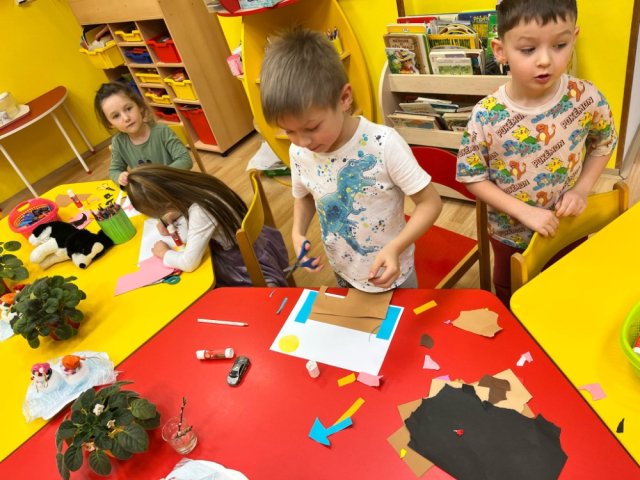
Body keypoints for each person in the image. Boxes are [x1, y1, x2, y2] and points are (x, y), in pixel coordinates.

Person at [456, 0, 617, 305]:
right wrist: (524, 212)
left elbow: (604, 142)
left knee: (565, 287)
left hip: (567, 225)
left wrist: (582, 190)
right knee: (511, 292)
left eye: (560, 45)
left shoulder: (586, 98)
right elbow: (472, 176)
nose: (545, 60)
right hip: (509, 234)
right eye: (528, 49)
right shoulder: (486, 115)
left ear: (574, 37)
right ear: (500, 50)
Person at [259, 27, 442, 292]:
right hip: (343, 270)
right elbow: (305, 196)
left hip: (394, 272)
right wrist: (297, 232)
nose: (302, 141)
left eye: (312, 127)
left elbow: (430, 203)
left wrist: (396, 247)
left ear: (344, 98)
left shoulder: (384, 144)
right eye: (289, 131)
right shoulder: (298, 151)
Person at [125, 165, 289, 287]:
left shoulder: (201, 212)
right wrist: (170, 216)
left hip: (245, 264)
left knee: (195, 284)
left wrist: (164, 253)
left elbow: (189, 263)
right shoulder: (196, 184)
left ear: (168, 203)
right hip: (259, 243)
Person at [94, 82, 192, 188]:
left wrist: (159, 177)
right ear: (110, 123)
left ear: (139, 106)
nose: (126, 118)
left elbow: (185, 160)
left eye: (128, 109)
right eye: (116, 116)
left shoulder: (162, 131)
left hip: (177, 187)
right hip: (150, 192)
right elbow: (114, 170)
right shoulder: (118, 142)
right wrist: (120, 178)